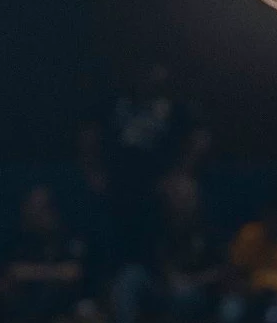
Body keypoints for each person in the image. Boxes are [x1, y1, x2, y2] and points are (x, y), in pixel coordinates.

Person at [79, 62, 210, 263]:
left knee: (184, 194)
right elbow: (89, 135)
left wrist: (181, 173)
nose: (147, 76)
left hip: (160, 180)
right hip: (118, 179)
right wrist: (93, 171)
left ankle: (179, 265)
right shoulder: (114, 103)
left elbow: (200, 138)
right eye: (141, 70)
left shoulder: (175, 106)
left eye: (152, 70)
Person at [111, 175, 222, 323]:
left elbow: (221, 270)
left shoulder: (209, 229)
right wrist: (168, 277)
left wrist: (191, 280)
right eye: (176, 196)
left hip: (193, 290)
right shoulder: (157, 225)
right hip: (161, 286)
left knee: (186, 297)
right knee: (130, 277)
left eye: (186, 197)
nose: (180, 201)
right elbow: (151, 261)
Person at [0, 186, 92, 323]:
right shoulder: (17, 242)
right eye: (33, 208)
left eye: (44, 208)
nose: (39, 214)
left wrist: (32, 273)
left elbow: (74, 272)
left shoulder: (71, 237)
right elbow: (11, 272)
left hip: (64, 308)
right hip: (25, 311)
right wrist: (54, 272)